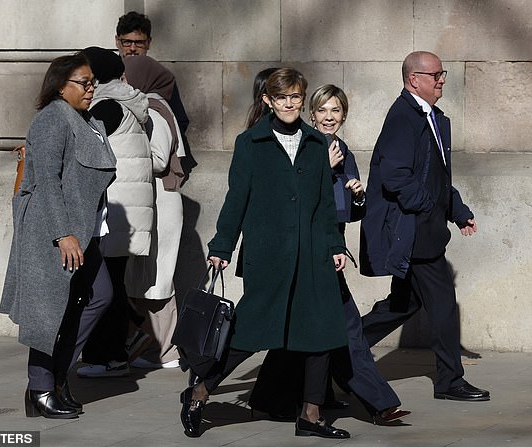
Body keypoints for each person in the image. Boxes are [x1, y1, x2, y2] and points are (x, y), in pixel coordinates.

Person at [179, 68, 351, 439]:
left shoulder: (317, 143)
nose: (290, 104)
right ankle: (200, 392)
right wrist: (222, 246)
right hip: (268, 255)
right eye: (282, 97)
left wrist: (335, 245)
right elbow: (236, 199)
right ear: (268, 101)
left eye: (295, 97)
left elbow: (323, 205)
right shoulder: (250, 143)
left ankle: (310, 414)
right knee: (247, 335)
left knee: (320, 334)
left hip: (312, 256)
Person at [248, 84, 411, 425]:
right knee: (345, 327)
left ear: (344, 115)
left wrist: (358, 195)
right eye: (322, 110)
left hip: (328, 248)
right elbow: (287, 197)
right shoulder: (304, 145)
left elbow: (346, 213)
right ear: (311, 114)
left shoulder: (343, 150)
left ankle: (275, 397)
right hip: (304, 250)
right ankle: (378, 403)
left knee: (310, 330)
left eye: (335, 111)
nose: (328, 117)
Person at [359, 51, 490, 402]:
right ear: (414, 79)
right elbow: (395, 175)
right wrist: (428, 207)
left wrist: (457, 210)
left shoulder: (432, 116)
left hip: (425, 228)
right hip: (414, 232)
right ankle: (449, 382)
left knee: (401, 306)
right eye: (436, 75)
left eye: (442, 74)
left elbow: (436, 175)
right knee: (443, 303)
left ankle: (340, 346)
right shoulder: (403, 116)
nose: (442, 80)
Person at [0, 53, 117, 418]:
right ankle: (40, 388)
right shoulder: (52, 118)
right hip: (54, 232)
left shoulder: (86, 120)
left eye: (92, 81)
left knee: (98, 297)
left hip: (84, 232)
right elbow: (47, 181)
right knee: (49, 312)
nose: (91, 87)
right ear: (59, 85)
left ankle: (55, 378)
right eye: (84, 82)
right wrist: (63, 233)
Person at [76, 47, 167, 378]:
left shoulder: (105, 106)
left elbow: (84, 152)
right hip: (127, 212)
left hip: (113, 211)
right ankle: (117, 348)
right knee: (110, 283)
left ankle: (107, 356)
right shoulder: (126, 104)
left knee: (104, 289)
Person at [122, 54, 186, 369]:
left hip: (160, 198)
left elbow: (160, 160)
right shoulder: (149, 105)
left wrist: (127, 149)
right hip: (154, 198)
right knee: (146, 275)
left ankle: (166, 350)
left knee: (157, 276)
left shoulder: (154, 110)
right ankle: (158, 347)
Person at [115, 11, 189, 135]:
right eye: (127, 42)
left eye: (139, 43)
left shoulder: (160, 77)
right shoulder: (107, 73)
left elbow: (180, 121)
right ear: (117, 41)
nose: (132, 48)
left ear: (149, 42)